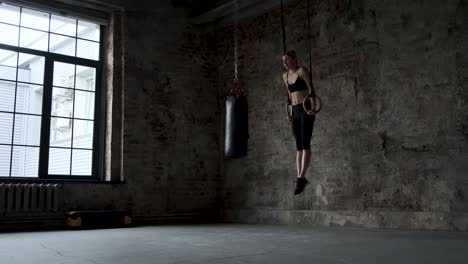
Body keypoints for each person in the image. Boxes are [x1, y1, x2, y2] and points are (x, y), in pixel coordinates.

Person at [282, 50, 317, 195]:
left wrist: (313, 108)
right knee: (298, 146)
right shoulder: (285, 76)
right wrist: (288, 112)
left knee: (305, 143)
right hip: (295, 111)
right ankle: (299, 178)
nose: (285, 63)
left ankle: (302, 176)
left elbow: (311, 89)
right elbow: (289, 96)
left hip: (305, 108)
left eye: (287, 60)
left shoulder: (302, 71)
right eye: (283, 61)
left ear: (294, 59)